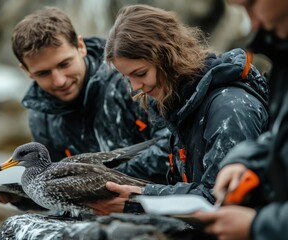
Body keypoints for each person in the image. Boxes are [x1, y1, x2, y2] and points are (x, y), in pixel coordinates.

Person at [87, 4, 269, 215]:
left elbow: (219, 199)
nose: (135, 87)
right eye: (128, 78)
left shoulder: (229, 108)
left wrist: (140, 198)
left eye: (141, 73)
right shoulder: (184, 105)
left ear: (167, 58)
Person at [0, 6, 173, 207]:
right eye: (43, 73)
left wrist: (94, 184)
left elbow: (173, 145)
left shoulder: (133, 81)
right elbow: (55, 189)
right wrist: (22, 197)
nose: (59, 81)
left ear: (80, 46)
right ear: (27, 71)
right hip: (102, 215)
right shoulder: (41, 117)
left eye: (64, 64)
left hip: (164, 202)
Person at [193, 0, 288, 239]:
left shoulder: (229, 104)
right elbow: (280, 137)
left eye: (251, 4)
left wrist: (257, 226)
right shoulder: (281, 50)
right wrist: (245, 161)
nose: (253, 23)